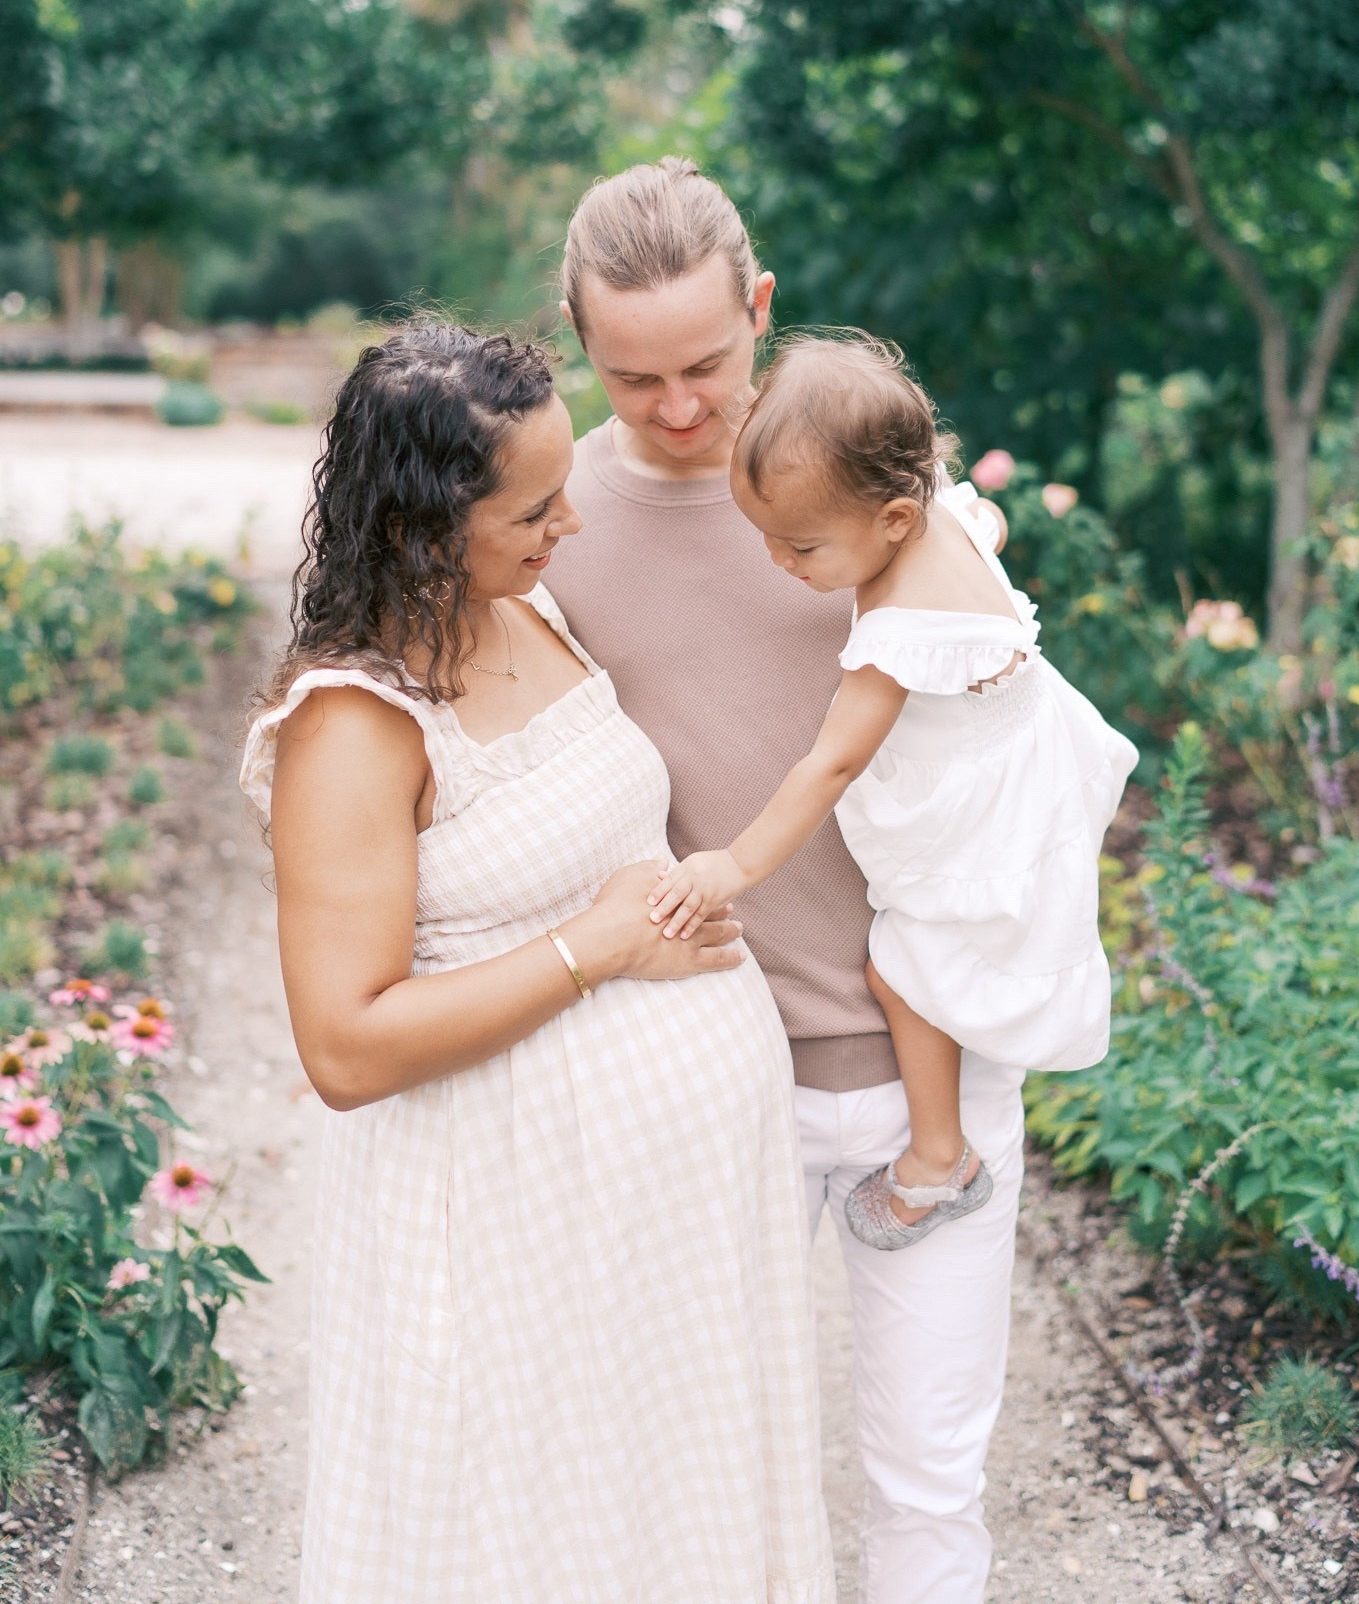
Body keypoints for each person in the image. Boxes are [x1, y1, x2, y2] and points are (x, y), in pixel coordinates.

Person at [240, 320, 835, 1604]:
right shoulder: (352, 723)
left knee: (662, 1528)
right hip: (505, 1222)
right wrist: (596, 948)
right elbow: (345, 1046)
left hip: (661, 1232)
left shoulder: (533, 603)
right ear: (422, 524)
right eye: (534, 506)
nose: (570, 521)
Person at [545, 157, 1020, 1604]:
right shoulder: (549, 520)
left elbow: (996, 733)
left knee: (928, 1479)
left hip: (927, 1057)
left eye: (705, 361)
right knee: (679, 1479)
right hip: (703, 1067)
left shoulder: (880, 499)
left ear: (761, 307)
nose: (679, 406)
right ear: (581, 349)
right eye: (634, 380)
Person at [650, 333, 1138, 1251]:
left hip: (983, 798)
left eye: (798, 544)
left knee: (905, 963)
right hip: (1022, 735)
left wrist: (734, 863)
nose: (777, 563)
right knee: (930, 954)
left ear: (893, 521)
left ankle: (939, 1156)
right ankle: (944, 1135)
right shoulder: (945, 511)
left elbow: (828, 764)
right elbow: (983, 523)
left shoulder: (897, 635)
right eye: (762, 535)